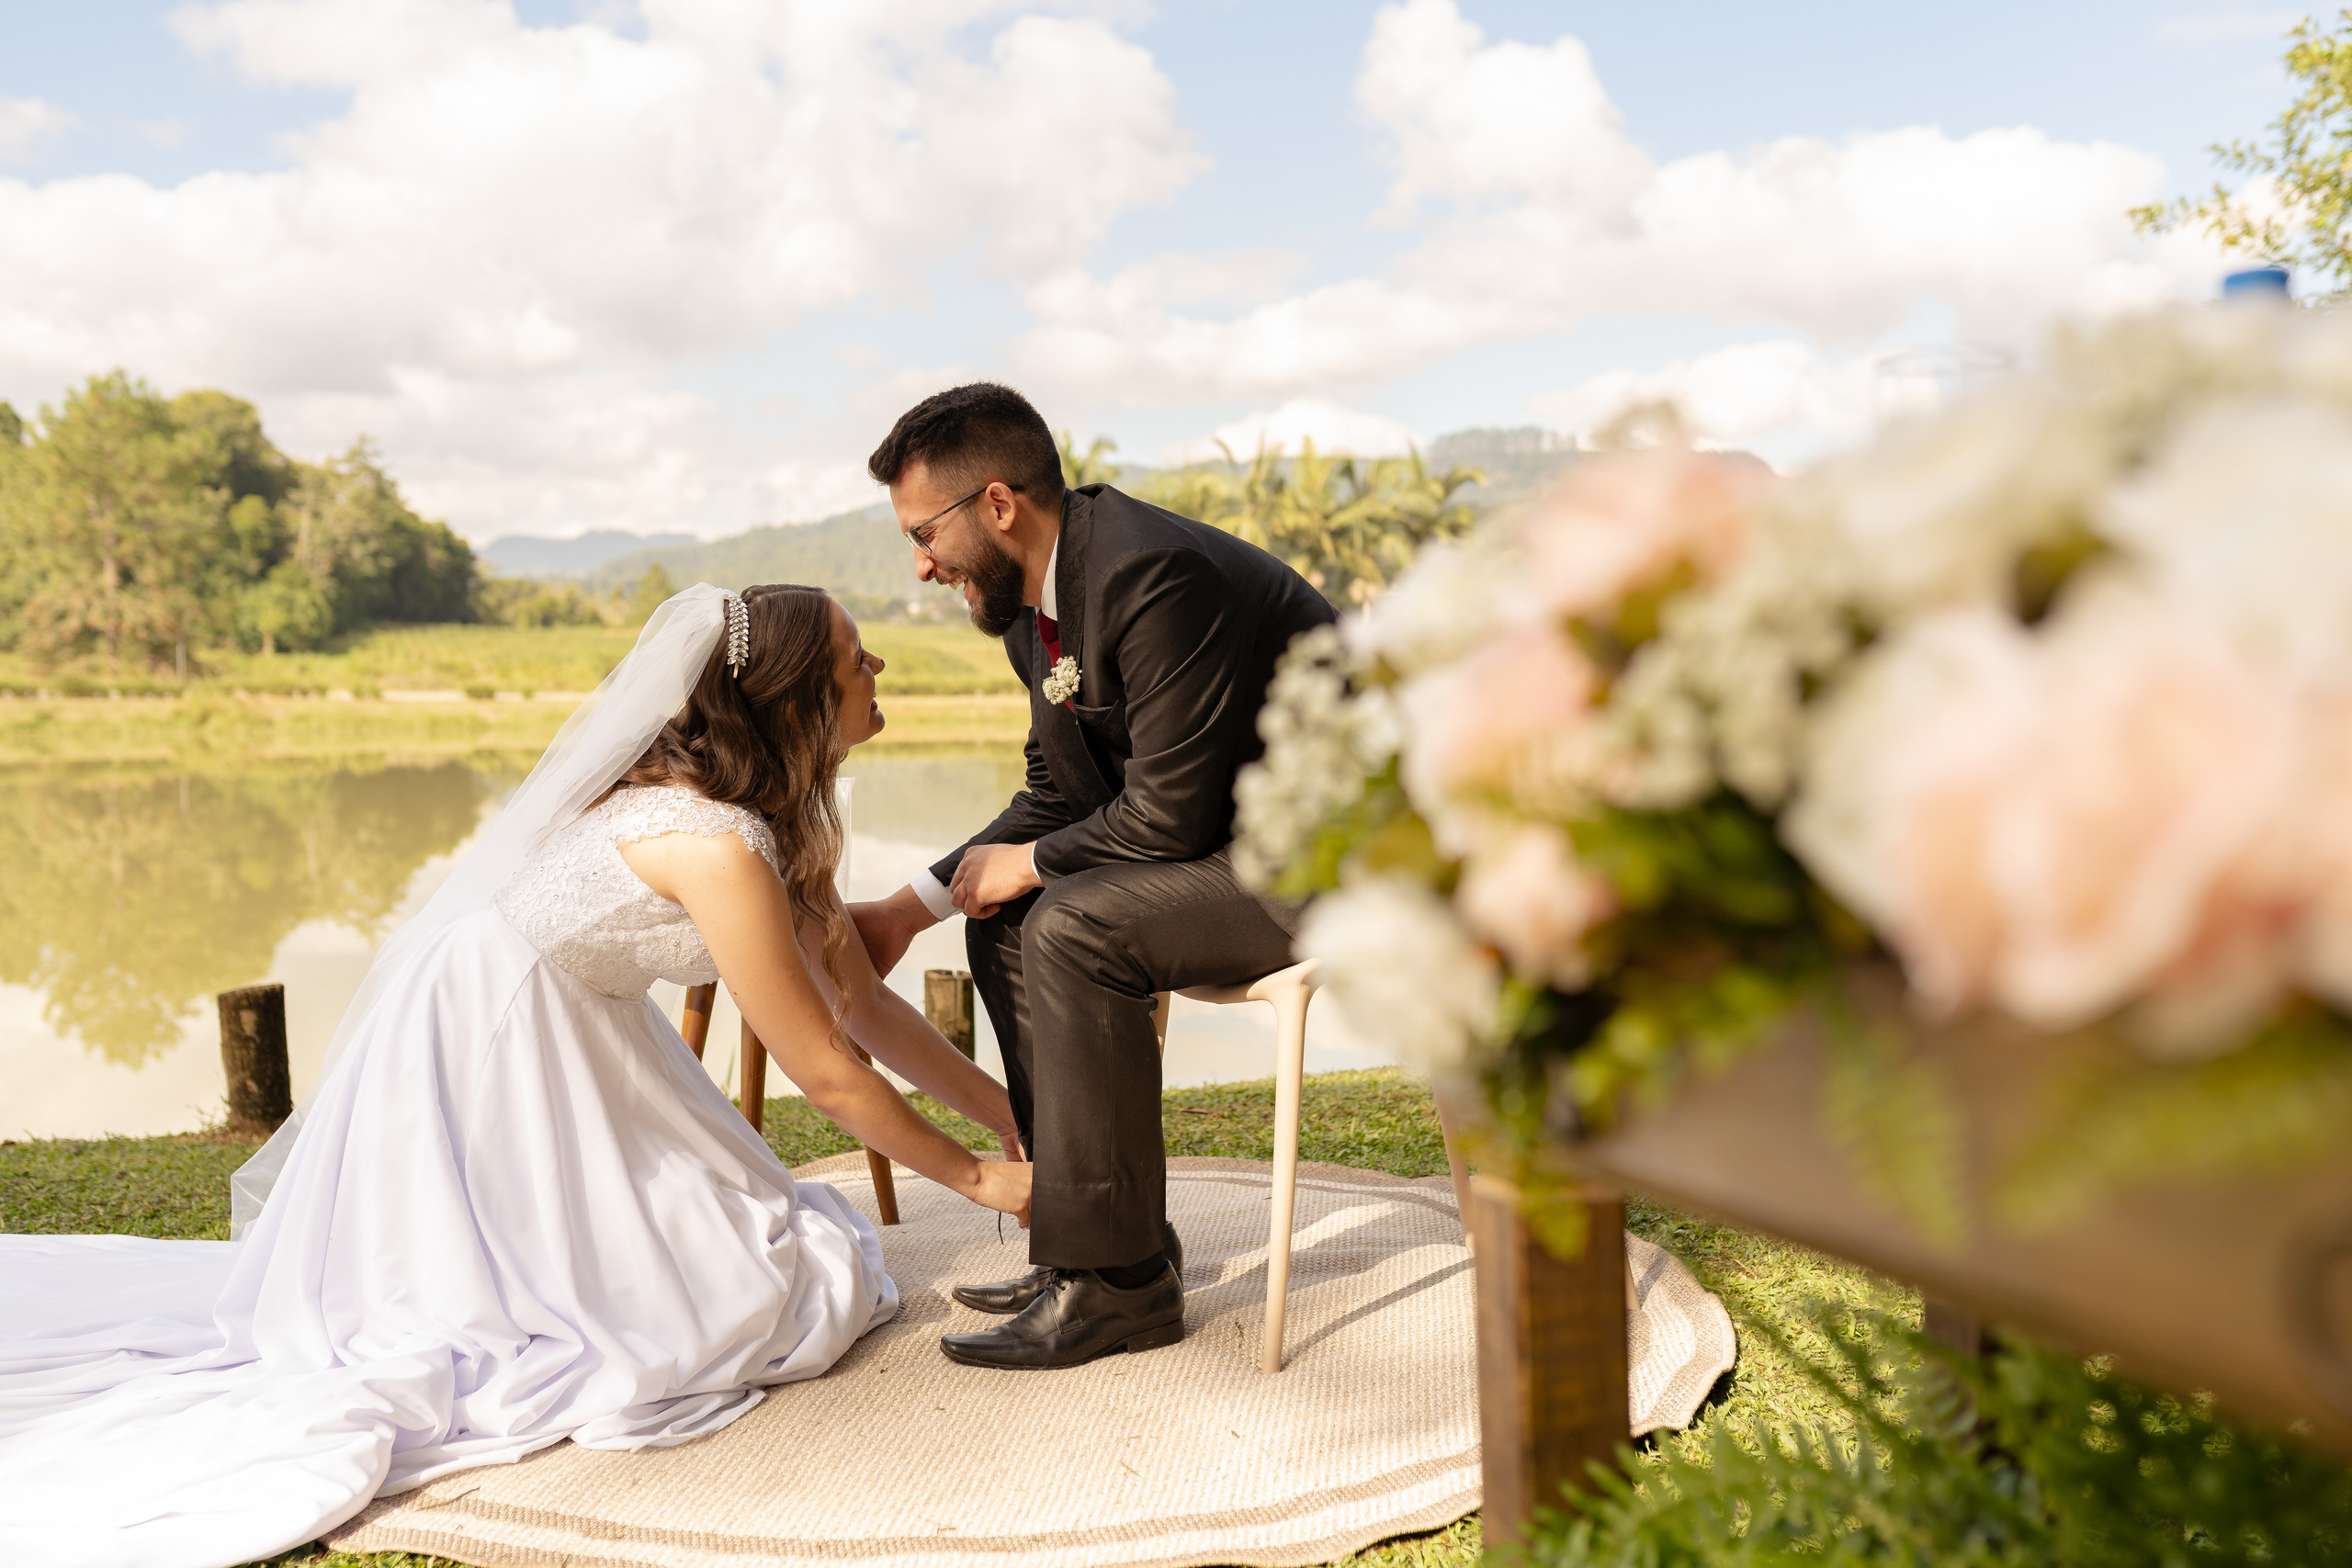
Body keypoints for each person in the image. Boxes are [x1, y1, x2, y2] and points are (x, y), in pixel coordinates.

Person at [0, 582, 1029, 1568]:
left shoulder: (760, 818)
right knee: (718, 1302)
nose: (882, 663)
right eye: (860, 657)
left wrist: (1013, 1117)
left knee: (768, 1256)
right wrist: (983, 1182)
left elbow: (866, 1006)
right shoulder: (712, 841)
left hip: (586, 1020)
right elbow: (827, 1072)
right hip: (493, 1028)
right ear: (801, 700)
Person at [850, 383, 1337, 1371]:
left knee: (1066, 923)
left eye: (923, 532)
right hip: (1220, 854)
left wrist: (1031, 867)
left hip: (1324, 863)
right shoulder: (1037, 611)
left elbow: (1164, 812)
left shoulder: (1150, 573)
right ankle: (1097, 1243)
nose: (921, 563)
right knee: (1007, 923)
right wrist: (912, 910)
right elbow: (1056, 791)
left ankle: (1118, 1291)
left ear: (995, 504)